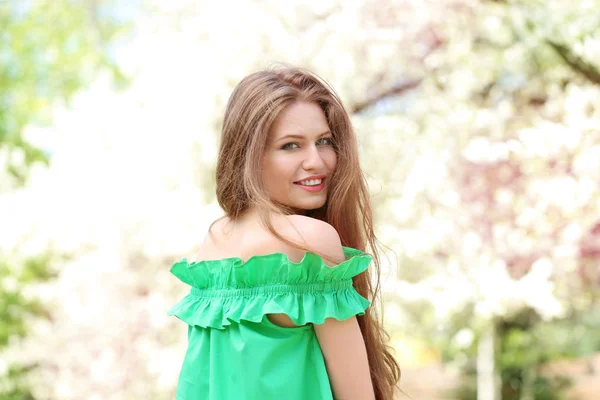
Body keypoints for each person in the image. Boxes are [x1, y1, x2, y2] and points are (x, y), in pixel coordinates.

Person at [167, 66, 400, 399]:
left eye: (324, 141)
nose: (316, 161)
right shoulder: (309, 241)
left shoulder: (215, 240)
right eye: (291, 146)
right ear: (250, 155)